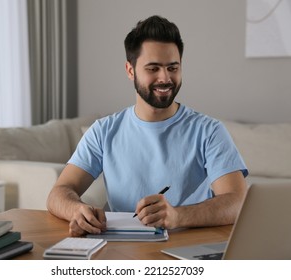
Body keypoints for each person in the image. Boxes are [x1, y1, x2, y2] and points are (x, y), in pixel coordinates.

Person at [47, 15, 248, 237]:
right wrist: (77, 210)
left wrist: (177, 216)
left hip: (189, 249)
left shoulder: (209, 131)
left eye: (173, 67)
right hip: (121, 251)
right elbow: (59, 192)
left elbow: (237, 202)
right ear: (130, 70)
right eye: (153, 69)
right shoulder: (103, 131)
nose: (165, 78)